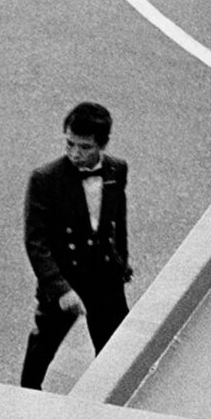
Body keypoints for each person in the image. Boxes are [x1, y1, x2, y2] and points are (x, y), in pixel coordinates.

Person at [19, 101, 133, 389]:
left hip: (105, 278)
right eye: (70, 144)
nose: (75, 154)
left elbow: (117, 219)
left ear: (102, 145)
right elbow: (36, 242)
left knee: (115, 351)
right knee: (42, 348)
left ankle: (109, 402)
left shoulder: (116, 170)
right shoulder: (46, 179)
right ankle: (26, 399)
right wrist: (60, 289)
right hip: (65, 278)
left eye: (84, 147)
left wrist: (121, 261)